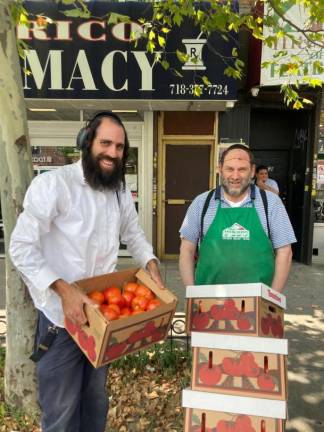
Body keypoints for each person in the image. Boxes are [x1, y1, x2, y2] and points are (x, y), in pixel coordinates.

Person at [9, 111, 164, 432]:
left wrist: (150, 264)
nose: (113, 153)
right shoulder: (53, 185)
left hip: (102, 320)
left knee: (95, 405)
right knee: (62, 414)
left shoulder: (119, 191)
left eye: (120, 147)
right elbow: (21, 247)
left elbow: (133, 234)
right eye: (106, 143)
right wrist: (65, 291)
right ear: (86, 142)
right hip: (60, 324)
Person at [179, 144, 296, 292]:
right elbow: (187, 250)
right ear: (220, 169)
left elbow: (285, 251)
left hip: (258, 303)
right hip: (207, 302)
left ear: (252, 171)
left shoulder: (271, 203)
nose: (235, 176)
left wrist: (272, 299)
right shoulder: (201, 203)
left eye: (242, 169)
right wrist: (192, 295)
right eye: (229, 169)